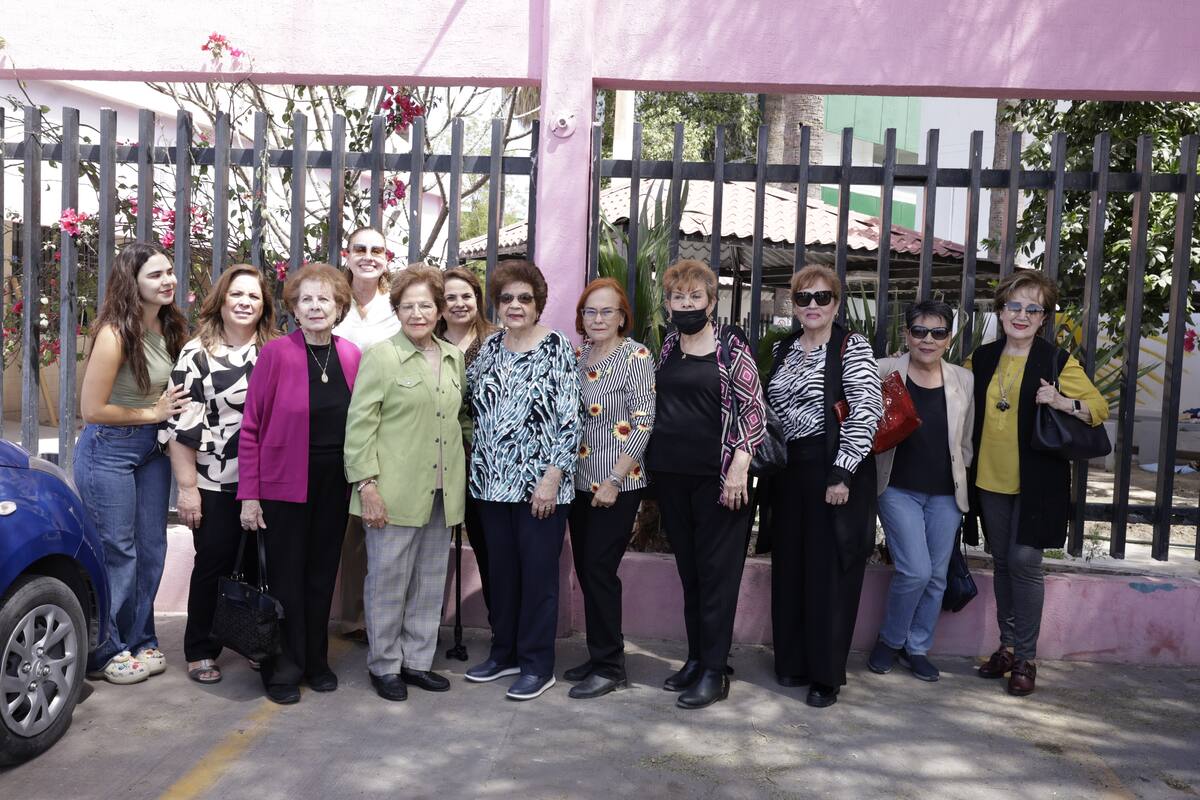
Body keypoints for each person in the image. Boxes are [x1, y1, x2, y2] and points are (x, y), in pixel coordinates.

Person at [966, 269, 1107, 696]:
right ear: (1001, 310)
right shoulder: (982, 359)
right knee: (1004, 563)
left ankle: (1026, 658)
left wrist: (1062, 400)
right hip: (990, 479)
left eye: (1033, 309)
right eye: (1015, 306)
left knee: (1026, 563)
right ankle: (1006, 648)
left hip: (1038, 482)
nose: (1022, 315)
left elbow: (1098, 409)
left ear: (1044, 318)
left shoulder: (1057, 361)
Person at [344, 265, 472, 702]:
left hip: (441, 491)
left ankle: (417, 661)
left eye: (426, 305)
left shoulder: (453, 357)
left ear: (439, 311)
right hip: (391, 493)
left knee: (430, 580)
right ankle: (385, 666)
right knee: (387, 582)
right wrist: (367, 486)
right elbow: (360, 426)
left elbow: (456, 421)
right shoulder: (381, 357)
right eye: (408, 306)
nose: (417, 313)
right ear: (396, 310)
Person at [644, 259, 766, 710]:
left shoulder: (731, 347)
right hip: (673, 478)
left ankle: (716, 670)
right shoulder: (669, 344)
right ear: (669, 302)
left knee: (718, 577)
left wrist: (739, 468)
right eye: (679, 297)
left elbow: (754, 411)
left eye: (696, 297)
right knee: (692, 575)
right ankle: (697, 658)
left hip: (720, 481)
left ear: (712, 302)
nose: (687, 304)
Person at [238, 263, 361, 705]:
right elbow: (250, 427)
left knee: (322, 575)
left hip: (334, 483)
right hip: (283, 484)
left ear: (339, 306)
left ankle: (316, 661)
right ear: (293, 307)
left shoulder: (350, 355)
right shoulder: (275, 354)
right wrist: (249, 495)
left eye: (323, 299)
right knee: (286, 579)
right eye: (305, 299)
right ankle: (282, 669)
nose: (314, 307)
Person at [765, 264, 882, 708]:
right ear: (793, 305)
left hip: (832, 469)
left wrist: (842, 472)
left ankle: (825, 675)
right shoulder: (784, 350)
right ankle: (793, 662)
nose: (812, 306)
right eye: (803, 297)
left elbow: (865, 409)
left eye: (822, 297)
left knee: (829, 573)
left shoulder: (851, 347)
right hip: (790, 472)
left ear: (836, 303)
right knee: (792, 567)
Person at [463, 260, 580, 701]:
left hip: (540, 489)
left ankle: (537, 664)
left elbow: (569, 420)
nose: (515, 305)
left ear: (538, 304)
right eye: (507, 298)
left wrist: (550, 479)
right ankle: (504, 652)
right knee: (503, 575)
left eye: (524, 298)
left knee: (537, 578)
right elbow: (470, 403)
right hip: (491, 484)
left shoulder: (556, 348)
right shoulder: (490, 349)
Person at [75, 242, 189, 684]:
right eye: (156, 275)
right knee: (117, 551)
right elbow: (92, 409)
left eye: (169, 272)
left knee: (151, 549)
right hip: (110, 448)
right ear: (132, 283)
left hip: (151, 450)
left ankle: (140, 638)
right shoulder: (114, 333)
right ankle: (104, 649)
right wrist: (152, 414)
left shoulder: (169, 324)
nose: (168, 281)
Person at [165, 265, 277, 685]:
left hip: (266, 480)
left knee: (259, 564)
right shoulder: (197, 353)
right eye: (238, 294)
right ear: (222, 301)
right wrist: (188, 489)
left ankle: (253, 638)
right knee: (213, 562)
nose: (246, 302)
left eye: (254, 296)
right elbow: (179, 427)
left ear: (264, 305)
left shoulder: (276, 350)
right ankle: (201, 648)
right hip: (214, 479)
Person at [866, 300, 973, 683]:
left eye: (938, 332)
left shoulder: (963, 379)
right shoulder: (882, 371)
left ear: (949, 338)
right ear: (907, 335)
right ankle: (890, 640)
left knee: (938, 576)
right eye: (920, 331)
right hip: (897, 488)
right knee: (916, 570)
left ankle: (917, 647)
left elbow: (965, 441)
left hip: (946, 493)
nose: (928, 339)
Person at [562, 278, 655, 700]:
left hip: (616, 482)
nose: (597, 319)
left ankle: (611, 666)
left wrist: (615, 481)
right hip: (579, 482)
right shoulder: (579, 355)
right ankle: (600, 652)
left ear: (622, 317)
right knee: (586, 570)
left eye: (607, 311)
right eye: (590, 311)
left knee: (599, 571)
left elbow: (644, 424)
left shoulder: (635, 355)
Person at [332, 226, 401, 644]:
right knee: (341, 530)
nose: (368, 256)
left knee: (372, 522)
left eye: (377, 250)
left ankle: (382, 618)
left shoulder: (395, 307)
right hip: (331, 423)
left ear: (387, 258)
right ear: (348, 254)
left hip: (383, 426)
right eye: (361, 249)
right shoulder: (332, 302)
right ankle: (350, 617)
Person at [436, 267, 498, 619]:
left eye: (466, 296)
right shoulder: (427, 342)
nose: (459, 304)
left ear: (477, 299)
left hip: (485, 461)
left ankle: (500, 628)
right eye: (450, 298)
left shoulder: (497, 341)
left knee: (489, 547)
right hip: (438, 456)